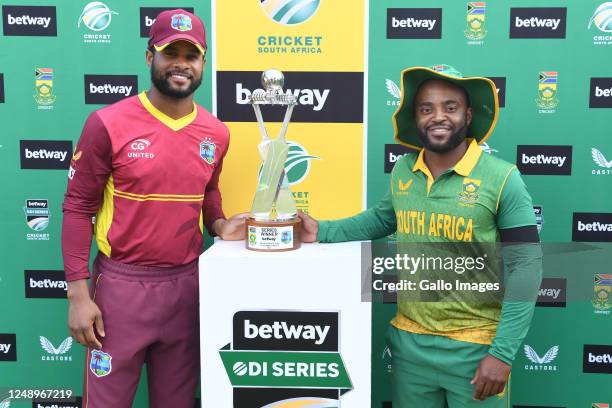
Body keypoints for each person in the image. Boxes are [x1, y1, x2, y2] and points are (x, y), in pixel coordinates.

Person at [298, 65, 542, 407]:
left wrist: (501, 354)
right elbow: (381, 219)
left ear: (468, 115)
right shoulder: (404, 170)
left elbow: (526, 267)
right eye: (426, 109)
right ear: (416, 117)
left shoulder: (503, 178)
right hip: (410, 345)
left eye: (450, 107)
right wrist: (322, 230)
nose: (438, 117)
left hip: (476, 349)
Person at [62, 9, 246, 408]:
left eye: (191, 54)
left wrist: (218, 223)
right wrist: (78, 294)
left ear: (202, 63)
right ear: (151, 58)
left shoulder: (216, 132)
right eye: (170, 52)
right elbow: (78, 207)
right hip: (120, 289)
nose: (181, 63)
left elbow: (209, 191)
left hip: (186, 286)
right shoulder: (107, 123)